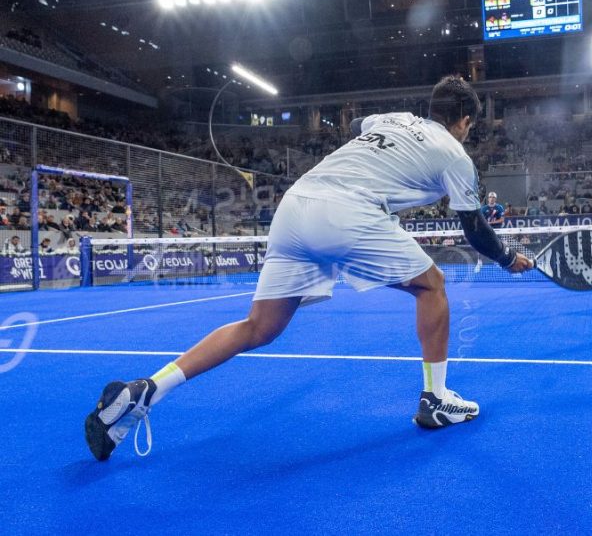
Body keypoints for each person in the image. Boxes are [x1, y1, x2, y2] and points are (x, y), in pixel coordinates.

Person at [84, 75, 535, 461]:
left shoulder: (391, 119)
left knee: (258, 327)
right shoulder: (456, 155)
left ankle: (146, 389)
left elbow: (361, 126)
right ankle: (435, 399)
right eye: (468, 125)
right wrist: (508, 258)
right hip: (345, 213)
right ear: (465, 122)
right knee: (432, 285)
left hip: (294, 207)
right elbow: (474, 229)